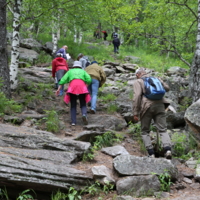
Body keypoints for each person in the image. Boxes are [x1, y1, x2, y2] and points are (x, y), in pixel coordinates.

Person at [133, 68, 172, 159]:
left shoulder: (138, 81)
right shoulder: (155, 79)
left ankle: (151, 153)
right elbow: (167, 88)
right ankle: (168, 150)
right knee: (163, 129)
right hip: (160, 105)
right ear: (145, 73)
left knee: (145, 131)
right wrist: (161, 81)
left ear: (138, 74)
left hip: (147, 107)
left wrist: (135, 112)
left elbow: (137, 96)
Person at [56, 61, 91, 126]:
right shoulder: (83, 71)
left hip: (72, 87)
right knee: (83, 103)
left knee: (73, 105)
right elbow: (89, 79)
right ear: (80, 66)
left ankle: (73, 122)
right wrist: (86, 85)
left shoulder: (70, 71)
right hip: (81, 87)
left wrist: (59, 89)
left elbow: (63, 80)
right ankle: (84, 114)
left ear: (74, 66)